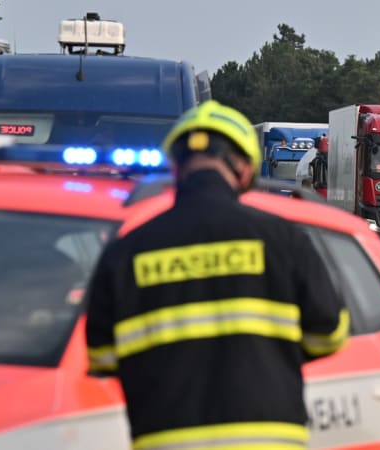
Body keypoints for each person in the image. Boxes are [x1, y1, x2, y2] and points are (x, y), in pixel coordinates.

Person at [84, 100, 349, 450]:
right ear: (244, 168)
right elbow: (329, 334)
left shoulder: (127, 250)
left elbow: (102, 356)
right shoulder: (284, 239)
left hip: (167, 440)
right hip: (269, 439)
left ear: (175, 167)